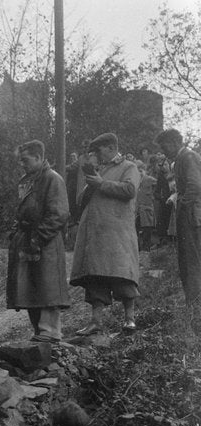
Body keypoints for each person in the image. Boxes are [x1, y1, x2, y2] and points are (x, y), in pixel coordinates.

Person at [70, 132, 142, 335]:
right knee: (95, 276)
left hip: (118, 232)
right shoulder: (98, 170)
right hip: (96, 232)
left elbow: (129, 190)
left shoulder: (129, 167)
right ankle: (95, 321)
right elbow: (80, 201)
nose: (97, 155)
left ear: (111, 148)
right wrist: (92, 179)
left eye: (99, 150)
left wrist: (101, 183)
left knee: (123, 275)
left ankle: (130, 319)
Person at [6, 140, 71, 342]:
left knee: (48, 285)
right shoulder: (27, 181)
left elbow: (59, 214)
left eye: (25, 160)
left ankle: (50, 332)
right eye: (21, 160)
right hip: (27, 239)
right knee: (29, 286)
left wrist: (39, 237)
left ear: (39, 157)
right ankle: (39, 332)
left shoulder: (53, 179)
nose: (22, 164)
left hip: (47, 242)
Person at [156, 128, 201, 308]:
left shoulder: (187, 157)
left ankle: (195, 302)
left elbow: (195, 185)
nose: (164, 151)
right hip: (189, 213)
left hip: (192, 215)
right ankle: (193, 300)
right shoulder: (181, 159)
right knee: (188, 258)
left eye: (165, 146)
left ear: (175, 142)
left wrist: (182, 202)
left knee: (192, 258)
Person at [137, 160, 157, 252]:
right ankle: (138, 248)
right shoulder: (135, 180)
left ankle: (146, 248)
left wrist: (152, 194)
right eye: (137, 170)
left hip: (147, 206)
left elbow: (158, 184)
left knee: (147, 228)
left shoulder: (149, 179)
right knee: (136, 228)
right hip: (137, 208)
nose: (139, 172)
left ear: (144, 170)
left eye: (141, 170)